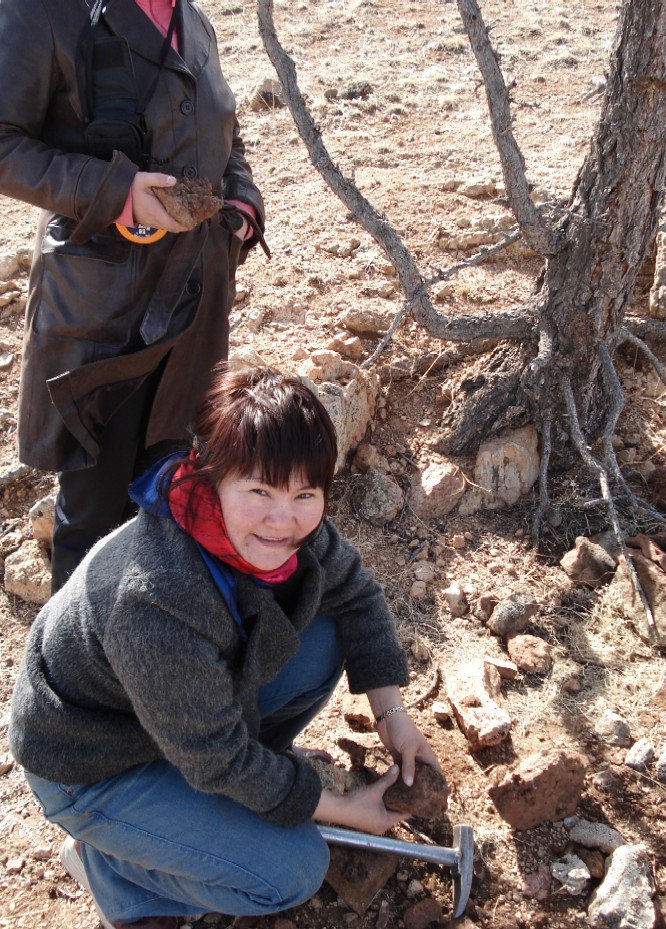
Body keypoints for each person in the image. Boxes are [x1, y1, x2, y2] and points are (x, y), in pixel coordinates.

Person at [9, 365, 442, 929]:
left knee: (327, 632)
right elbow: (220, 760)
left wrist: (393, 715)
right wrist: (341, 809)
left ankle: (209, 810)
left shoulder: (289, 533)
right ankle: (114, 869)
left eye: (303, 493)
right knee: (291, 871)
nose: (281, 520)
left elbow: (356, 595)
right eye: (258, 490)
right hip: (90, 760)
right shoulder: (157, 601)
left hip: (177, 720)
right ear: (212, 476)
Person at [0, 0, 267, 591]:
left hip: (193, 305)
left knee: (166, 493)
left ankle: (148, 658)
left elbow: (220, 130)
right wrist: (117, 191)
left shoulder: (191, 20)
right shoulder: (41, 10)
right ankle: (74, 674)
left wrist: (243, 199)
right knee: (94, 517)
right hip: (99, 315)